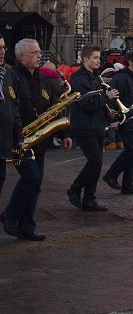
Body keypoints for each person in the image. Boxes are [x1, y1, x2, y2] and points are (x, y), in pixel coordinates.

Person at [2, 38, 72, 241]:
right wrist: (17, 136)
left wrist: (64, 133)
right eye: (34, 53)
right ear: (21, 55)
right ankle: (9, 216)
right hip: (20, 139)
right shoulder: (11, 76)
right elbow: (11, 110)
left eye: (40, 52)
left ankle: (27, 227)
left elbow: (52, 108)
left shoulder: (43, 79)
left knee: (36, 182)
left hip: (39, 140)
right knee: (31, 177)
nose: (39, 56)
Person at [67, 45, 120, 211]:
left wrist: (107, 112)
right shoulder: (79, 79)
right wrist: (107, 97)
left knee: (97, 164)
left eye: (99, 57)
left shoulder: (95, 78)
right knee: (95, 161)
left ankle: (89, 198)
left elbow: (96, 103)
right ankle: (75, 189)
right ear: (85, 59)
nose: (99, 61)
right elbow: (86, 104)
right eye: (95, 58)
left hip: (96, 125)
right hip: (84, 126)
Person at [103, 51, 133, 195]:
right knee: (131, 150)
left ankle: (128, 185)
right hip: (124, 119)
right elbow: (112, 98)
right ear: (130, 62)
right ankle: (111, 175)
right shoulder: (120, 77)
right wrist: (113, 119)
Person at [0, 37, 23, 200]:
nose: (2, 52)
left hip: (3, 143)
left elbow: (13, 108)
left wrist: (18, 136)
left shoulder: (8, 74)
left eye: (3, 47)